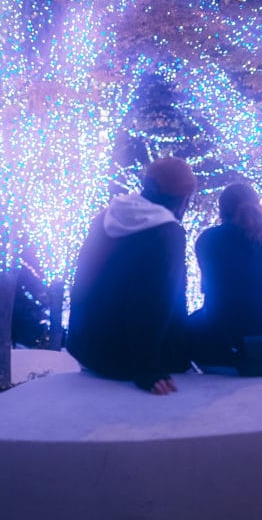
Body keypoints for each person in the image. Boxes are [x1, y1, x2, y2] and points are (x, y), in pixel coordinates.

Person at [67, 156, 197, 395]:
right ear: (183, 199)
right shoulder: (167, 233)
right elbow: (152, 301)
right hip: (125, 359)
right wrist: (147, 368)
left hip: (87, 348)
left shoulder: (107, 217)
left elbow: (82, 282)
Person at [188, 182, 262, 368]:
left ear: (221, 210)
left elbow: (209, 286)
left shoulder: (208, 240)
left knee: (193, 321)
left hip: (217, 347)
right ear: (258, 204)